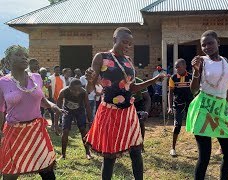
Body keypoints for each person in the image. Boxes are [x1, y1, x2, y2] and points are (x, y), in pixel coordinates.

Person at [84, 27, 165, 180]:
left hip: (129, 111)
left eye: (129, 43)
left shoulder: (128, 61)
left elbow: (132, 87)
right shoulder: (101, 57)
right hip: (109, 112)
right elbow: (90, 88)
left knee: (136, 150)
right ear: (115, 40)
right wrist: (89, 80)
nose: (126, 46)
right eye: (123, 42)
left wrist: (154, 80)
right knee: (110, 155)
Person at [0, 45, 65, 180]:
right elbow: (1, 109)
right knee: (11, 174)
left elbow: (41, 100)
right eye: (18, 54)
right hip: (14, 132)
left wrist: (53, 106)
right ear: (8, 61)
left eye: (25, 55)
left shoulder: (36, 78)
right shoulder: (3, 82)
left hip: (36, 130)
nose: (23, 57)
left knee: (47, 170)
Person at [186, 30, 228, 180]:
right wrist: (196, 71)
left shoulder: (224, 60)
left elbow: (223, 90)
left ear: (218, 42)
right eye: (203, 45)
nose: (206, 47)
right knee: (205, 156)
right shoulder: (201, 61)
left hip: (220, 109)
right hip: (204, 107)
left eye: (210, 43)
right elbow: (194, 89)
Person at [55, 78, 93, 160]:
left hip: (80, 111)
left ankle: (88, 152)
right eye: (74, 90)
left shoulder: (83, 92)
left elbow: (88, 107)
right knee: (65, 131)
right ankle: (63, 154)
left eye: (78, 90)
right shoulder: (63, 92)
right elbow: (57, 109)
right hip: (67, 111)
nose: (77, 92)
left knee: (83, 130)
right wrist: (56, 125)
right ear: (69, 88)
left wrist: (90, 121)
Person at [168, 58, 193, 157]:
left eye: (178, 67)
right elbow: (170, 93)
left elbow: (197, 90)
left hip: (190, 104)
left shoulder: (191, 77)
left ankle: (201, 148)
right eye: (175, 67)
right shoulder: (173, 78)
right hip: (178, 104)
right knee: (177, 125)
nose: (176, 69)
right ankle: (173, 148)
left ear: (184, 66)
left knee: (196, 126)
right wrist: (170, 107)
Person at [133, 76, 151, 152]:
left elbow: (147, 98)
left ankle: (141, 144)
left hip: (138, 103)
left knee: (141, 123)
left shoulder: (139, 81)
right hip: (127, 104)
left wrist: (146, 112)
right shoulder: (122, 81)